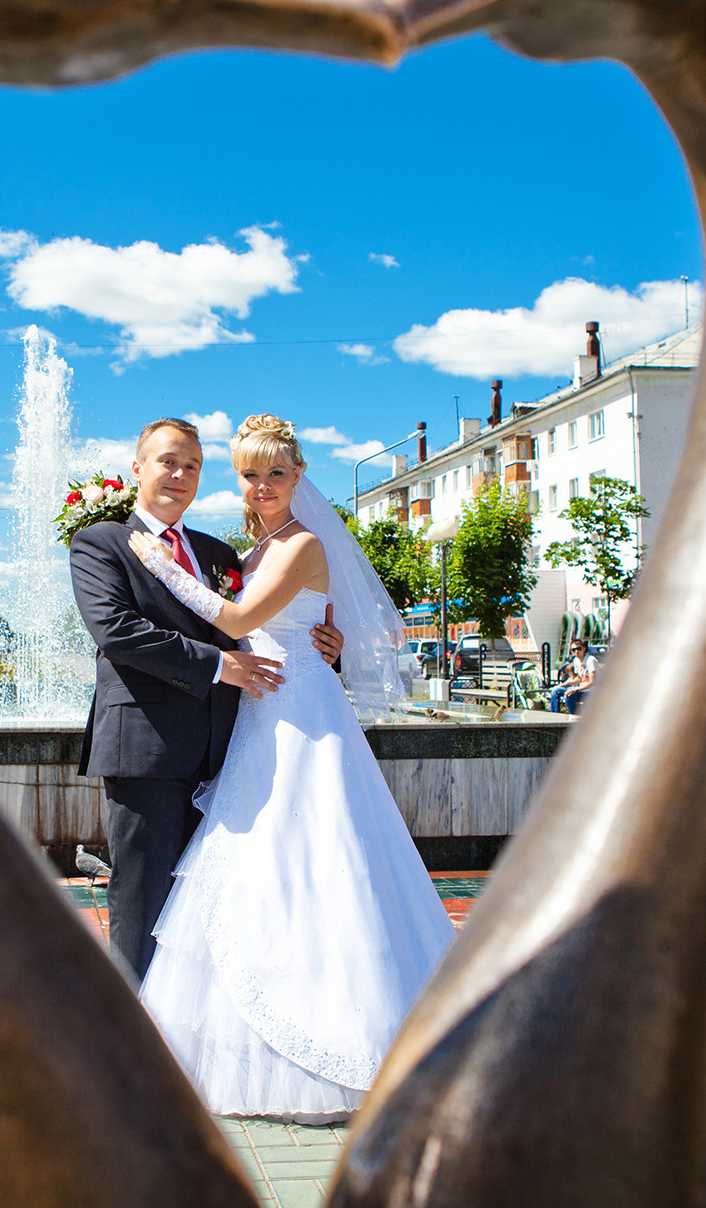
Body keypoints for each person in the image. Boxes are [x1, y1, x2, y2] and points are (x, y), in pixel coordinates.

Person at [123, 415, 453, 1124]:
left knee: (323, 857)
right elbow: (260, 625)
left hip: (300, 714)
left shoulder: (300, 544)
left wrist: (160, 565)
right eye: (250, 473)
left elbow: (238, 621)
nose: (264, 485)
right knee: (262, 862)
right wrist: (317, 637)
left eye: (277, 472)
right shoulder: (257, 545)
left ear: (299, 476)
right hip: (262, 714)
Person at [68, 417, 344, 988]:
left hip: (232, 753)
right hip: (148, 750)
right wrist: (222, 666)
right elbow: (118, 632)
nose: (180, 473)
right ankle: (141, 1038)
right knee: (143, 901)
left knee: (215, 906)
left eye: (192, 465)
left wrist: (325, 647)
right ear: (138, 468)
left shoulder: (222, 556)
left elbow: (258, 629)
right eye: (168, 461)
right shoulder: (101, 543)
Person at [547, 638, 599, 715]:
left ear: (584, 649)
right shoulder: (576, 660)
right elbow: (579, 678)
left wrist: (576, 690)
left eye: (579, 649)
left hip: (592, 690)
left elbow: (592, 682)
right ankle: (555, 716)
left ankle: (574, 718)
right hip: (581, 688)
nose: (576, 651)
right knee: (555, 690)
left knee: (569, 696)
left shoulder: (591, 660)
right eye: (573, 650)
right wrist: (566, 684)